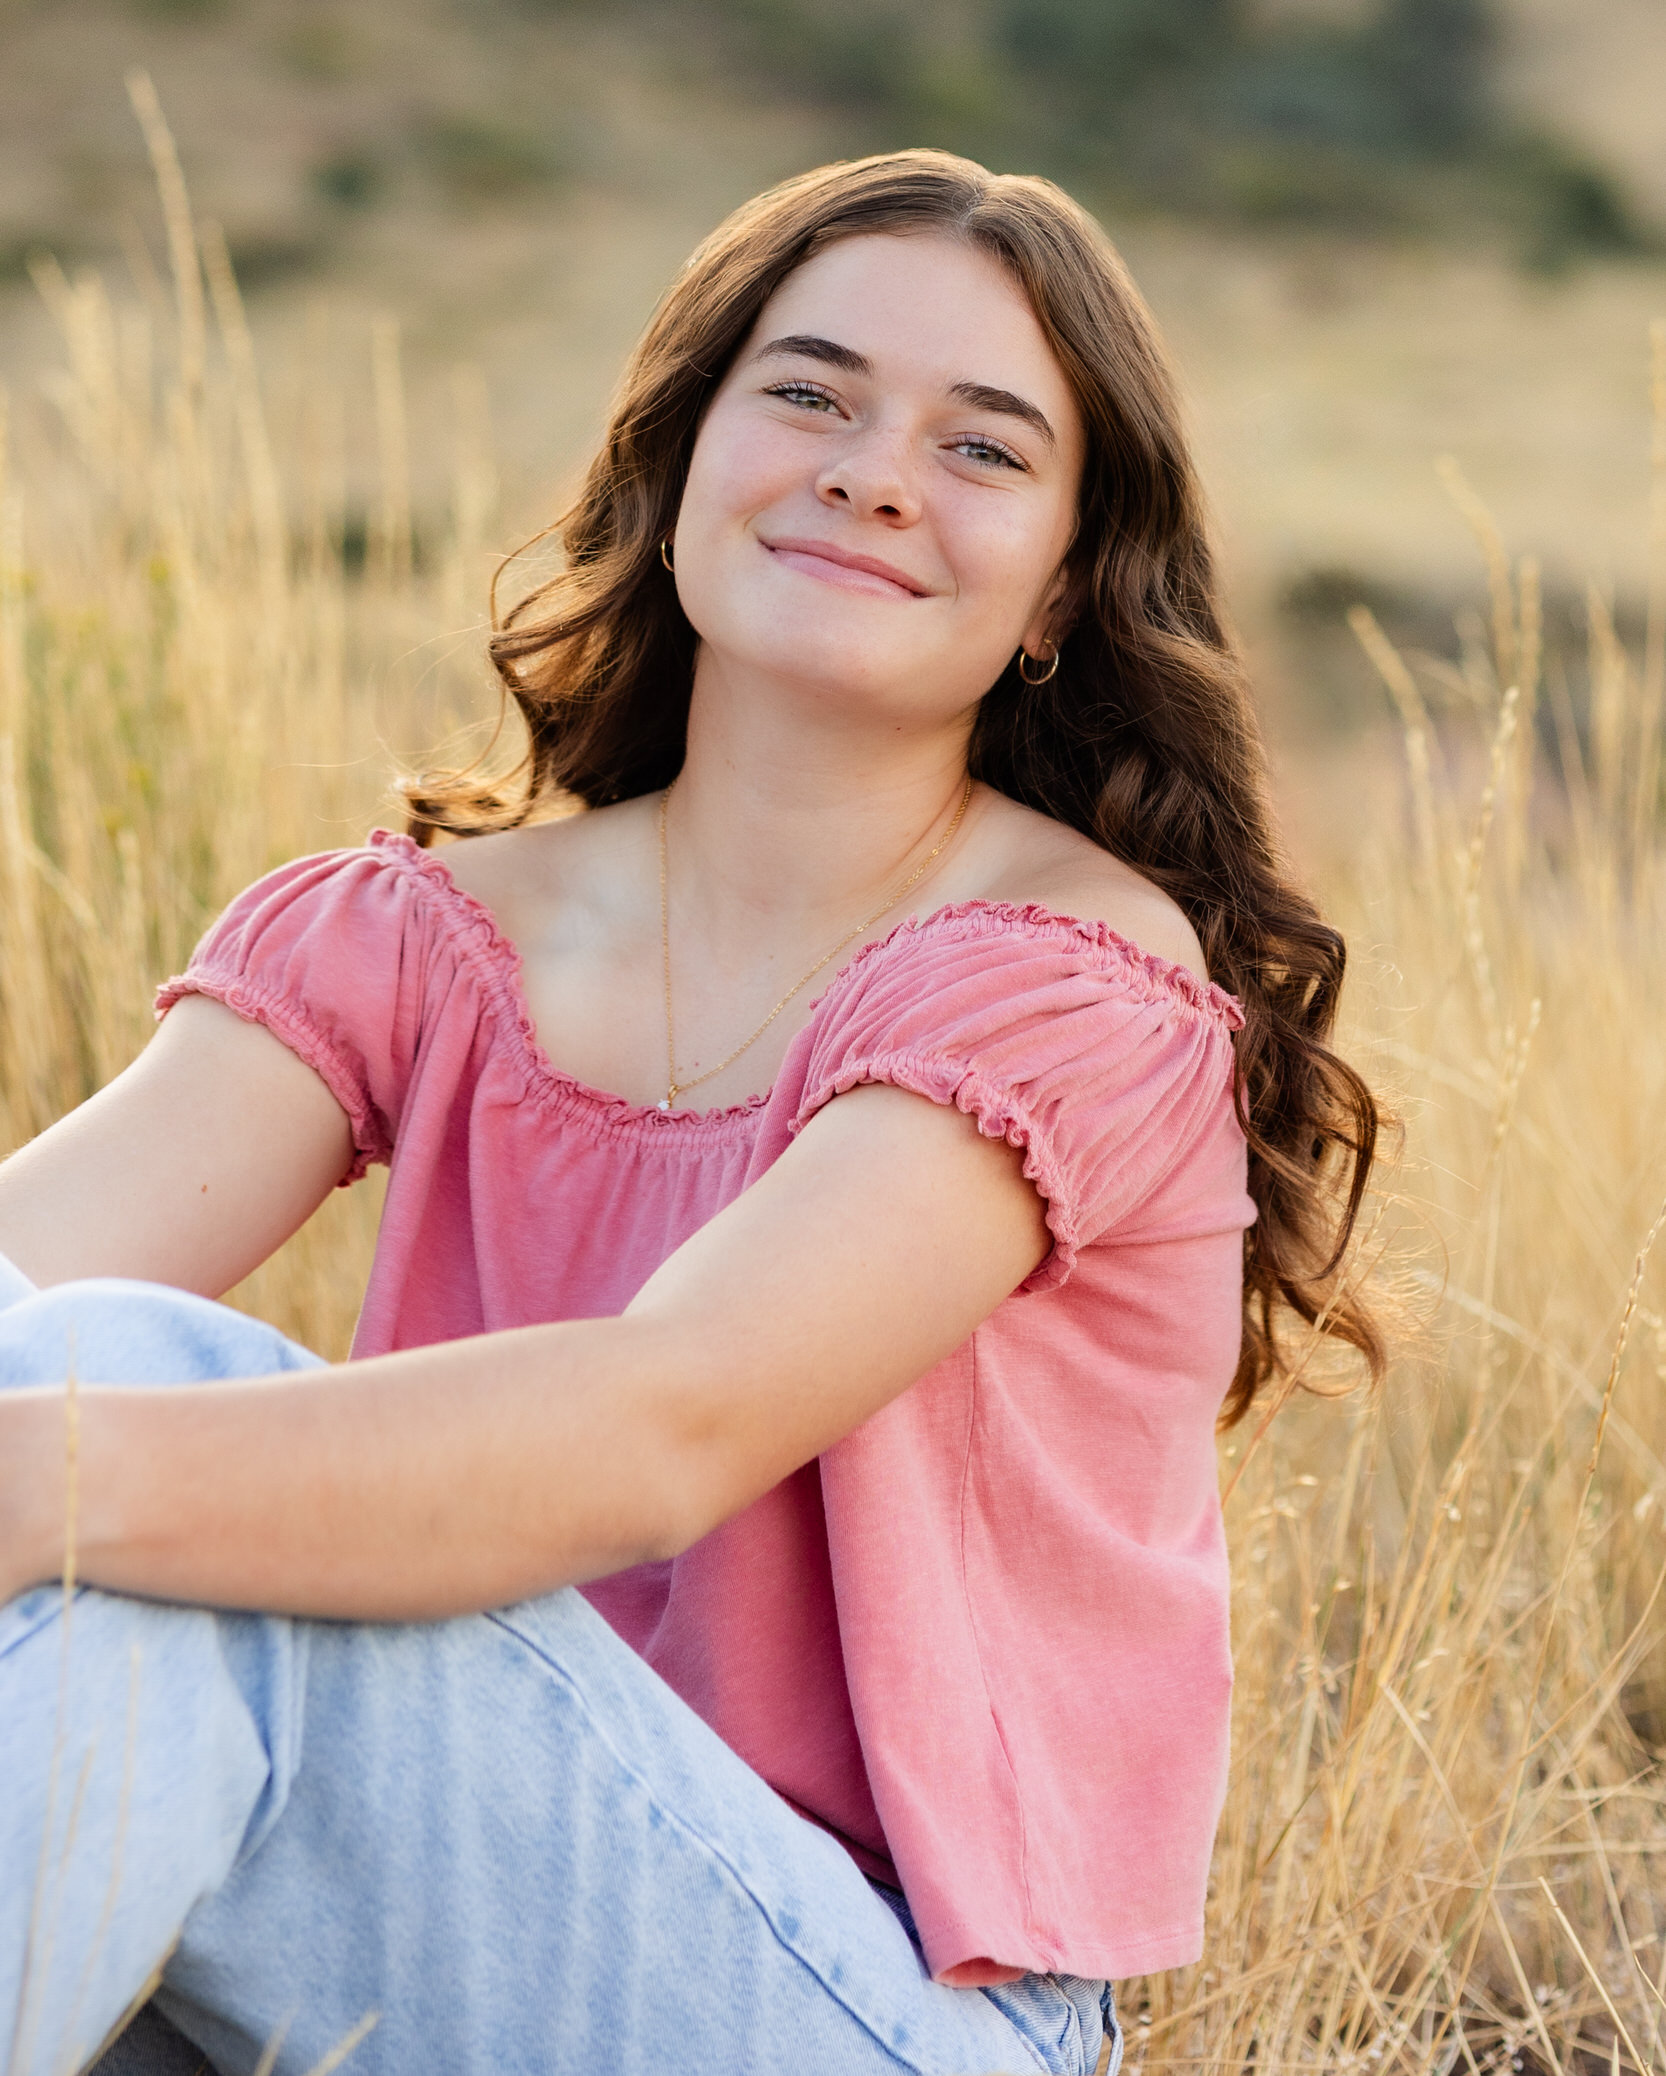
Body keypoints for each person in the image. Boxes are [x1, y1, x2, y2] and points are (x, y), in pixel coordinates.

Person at [0, 151, 1382, 2076]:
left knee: (139, 1447)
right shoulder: (423, 938)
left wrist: (52, 1481)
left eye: (981, 449)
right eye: (808, 394)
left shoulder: (1061, 982)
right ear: (680, 464)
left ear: (1065, 585)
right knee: (71, 1375)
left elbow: (677, 1420)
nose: (873, 470)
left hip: (879, 2010)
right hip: (448, 1901)